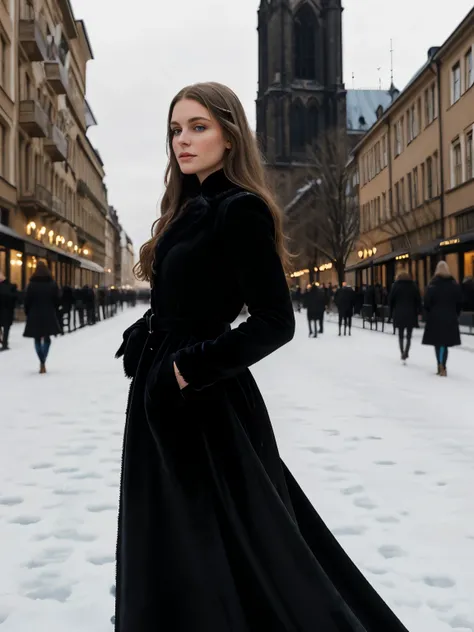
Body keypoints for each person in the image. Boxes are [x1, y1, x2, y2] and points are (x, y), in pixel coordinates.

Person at [114, 82, 408, 632]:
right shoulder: (187, 209)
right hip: (163, 402)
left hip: (204, 401)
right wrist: (146, 330)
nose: (183, 139)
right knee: (175, 538)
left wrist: (187, 367)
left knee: (231, 542)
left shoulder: (239, 209)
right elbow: (184, 297)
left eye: (198, 126)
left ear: (230, 136)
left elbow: (276, 322)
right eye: (176, 129)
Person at [422, 260, 462, 376]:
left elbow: (427, 303)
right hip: (450, 317)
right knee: (445, 342)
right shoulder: (454, 285)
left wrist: (428, 314)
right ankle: (443, 364)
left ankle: (439, 364)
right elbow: (459, 302)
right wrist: (456, 314)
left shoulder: (432, 285)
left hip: (435, 318)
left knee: (437, 342)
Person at [23, 261, 60, 373]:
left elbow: (27, 301)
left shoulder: (31, 284)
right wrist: (54, 309)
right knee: (47, 338)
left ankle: (41, 360)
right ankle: (43, 360)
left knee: (37, 338)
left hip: (35, 314)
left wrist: (28, 312)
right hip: (48, 313)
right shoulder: (52, 284)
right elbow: (57, 300)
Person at [389, 270, 422, 362]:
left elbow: (391, 300)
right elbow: (418, 300)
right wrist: (419, 312)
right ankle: (406, 351)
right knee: (409, 335)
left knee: (400, 334)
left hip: (399, 313)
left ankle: (402, 351)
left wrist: (391, 313)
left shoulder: (395, 286)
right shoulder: (413, 286)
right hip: (411, 313)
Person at [0, 271, 17, 351]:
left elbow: (14, 298)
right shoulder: (10, 286)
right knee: (6, 327)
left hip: (6, 310)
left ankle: (4, 343)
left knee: (6, 327)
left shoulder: (10, 286)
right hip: (6, 309)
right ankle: (4, 342)